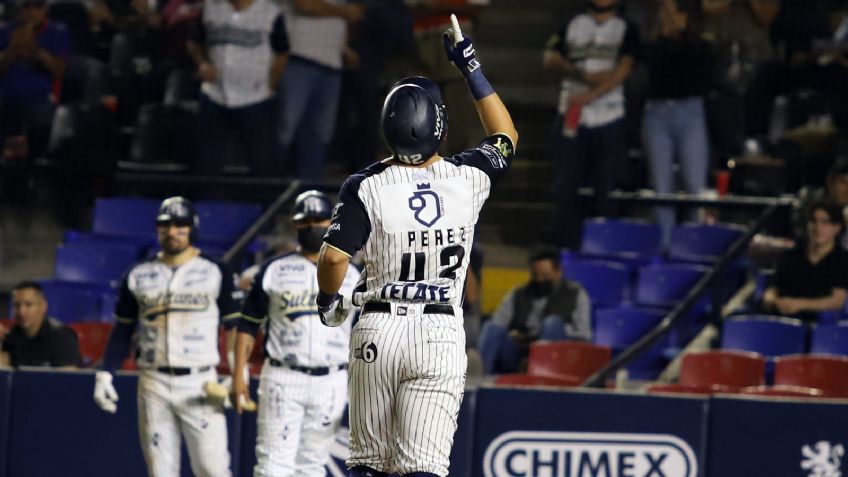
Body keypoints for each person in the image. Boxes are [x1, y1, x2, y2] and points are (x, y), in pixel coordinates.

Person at [315, 18, 518, 477]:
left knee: (369, 463)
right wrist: (470, 68)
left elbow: (333, 258)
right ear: (439, 128)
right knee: (423, 467)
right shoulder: (468, 177)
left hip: (378, 327)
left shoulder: (365, 184)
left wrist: (328, 301)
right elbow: (506, 137)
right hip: (439, 331)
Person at [92, 196, 242, 477]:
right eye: (166, 225)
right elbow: (123, 327)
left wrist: (237, 373)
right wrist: (106, 373)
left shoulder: (215, 270)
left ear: (193, 227)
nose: (172, 231)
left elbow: (233, 325)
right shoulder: (138, 274)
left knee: (213, 470)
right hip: (154, 382)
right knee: (160, 471)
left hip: (201, 381)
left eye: (180, 225)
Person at [231, 190, 360, 476]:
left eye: (319, 220)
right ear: (296, 225)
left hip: (333, 378)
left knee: (312, 467)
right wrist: (239, 374)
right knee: (272, 466)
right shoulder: (274, 269)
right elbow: (248, 323)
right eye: (306, 221)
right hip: (283, 376)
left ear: (332, 222)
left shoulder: (353, 273)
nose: (313, 226)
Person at [544, 0, 638, 249]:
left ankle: (600, 246)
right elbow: (550, 58)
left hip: (609, 116)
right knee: (566, 186)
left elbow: (623, 71)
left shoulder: (626, 27)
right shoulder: (572, 23)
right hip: (571, 115)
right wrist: (582, 75)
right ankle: (567, 247)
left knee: (605, 186)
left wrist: (588, 95)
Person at [641, 0, 713, 249]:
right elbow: (653, 69)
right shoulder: (655, 43)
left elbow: (701, 73)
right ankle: (664, 244)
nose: (669, 17)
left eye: (673, 13)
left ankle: (693, 243)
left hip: (690, 112)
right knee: (661, 186)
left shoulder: (700, 45)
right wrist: (664, 37)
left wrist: (680, 36)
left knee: (694, 183)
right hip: (657, 113)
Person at [188, 0, 289, 176]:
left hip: (256, 98)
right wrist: (202, 63)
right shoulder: (210, 8)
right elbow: (193, 41)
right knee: (206, 164)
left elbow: (282, 52)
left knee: (262, 165)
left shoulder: (270, 12)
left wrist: (270, 84)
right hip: (215, 94)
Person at [276, 0, 364, 181]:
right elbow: (305, 5)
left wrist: (343, 48)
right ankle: (271, 190)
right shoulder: (341, 9)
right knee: (284, 131)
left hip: (331, 64)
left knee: (319, 136)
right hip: (298, 59)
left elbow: (340, 21)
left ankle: (309, 192)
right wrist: (345, 12)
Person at [477, 247, 592, 374]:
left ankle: (537, 376)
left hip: (555, 354)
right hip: (519, 353)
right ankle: (479, 379)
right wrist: (514, 334)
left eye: (545, 275)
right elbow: (498, 323)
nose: (539, 280)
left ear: (558, 272)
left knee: (552, 323)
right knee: (491, 327)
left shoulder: (576, 294)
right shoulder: (518, 293)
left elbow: (583, 335)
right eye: (536, 275)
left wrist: (541, 334)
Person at [0, 0, 69, 161]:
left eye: (37, 6)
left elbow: (59, 71)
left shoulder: (57, 31)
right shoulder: (5, 31)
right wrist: (12, 50)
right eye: (26, 6)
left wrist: (36, 51)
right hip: (6, 97)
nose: (32, 12)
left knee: (41, 119)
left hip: (42, 98)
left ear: (45, 10)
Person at [762, 200, 848, 324]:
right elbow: (773, 288)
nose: (818, 227)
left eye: (825, 222)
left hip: (816, 323)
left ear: (837, 227)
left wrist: (799, 304)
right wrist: (772, 300)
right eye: (813, 221)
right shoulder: (792, 255)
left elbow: (837, 301)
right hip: (780, 318)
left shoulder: (842, 260)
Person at [0, 281, 82, 368]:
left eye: (28, 305)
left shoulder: (62, 336)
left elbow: (68, 374)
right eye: (17, 305)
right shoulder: (11, 336)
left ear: (43, 306)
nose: (21, 312)